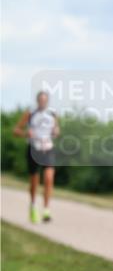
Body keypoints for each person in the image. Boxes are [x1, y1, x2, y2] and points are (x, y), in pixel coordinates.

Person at [13, 91, 60, 223]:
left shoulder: (52, 114)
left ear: (47, 101)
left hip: (48, 148)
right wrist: (25, 134)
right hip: (34, 149)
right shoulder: (30, 113)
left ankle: (46, 210)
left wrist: (56, 131)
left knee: (49, 178)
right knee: (34, 180)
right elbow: (16, 130)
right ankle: (33, 206)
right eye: (41, 100)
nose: (43, 102)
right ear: (37, 100)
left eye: (45, 100)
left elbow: (56, 130)